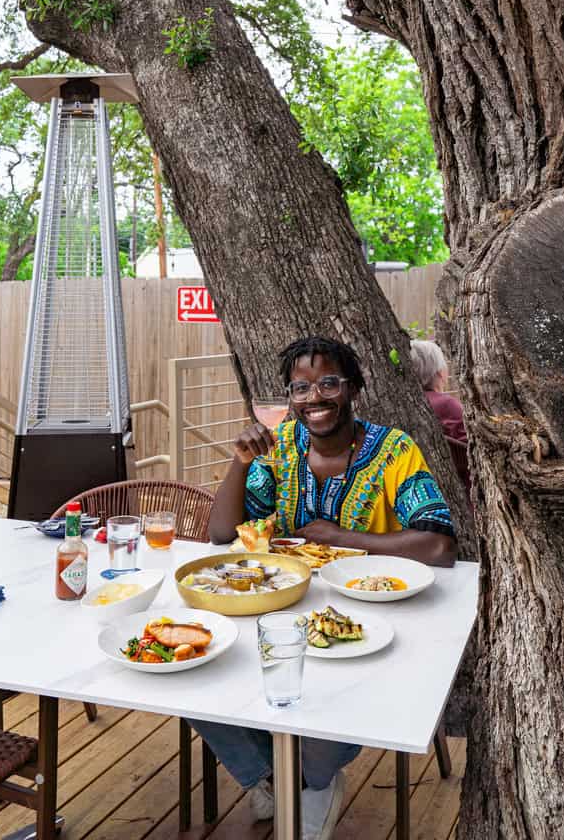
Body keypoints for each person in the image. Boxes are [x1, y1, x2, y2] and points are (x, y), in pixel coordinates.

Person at [196, 336, 457, 840]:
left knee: (332, 695)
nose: (314, 397)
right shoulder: (282, 446)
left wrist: (343, 538)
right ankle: (269, 777)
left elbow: (440, 545)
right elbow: (223, 535)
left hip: (373, 622)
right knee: (197, 677)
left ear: (353, 388)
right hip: (282, 607)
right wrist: (240, 461)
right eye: (300, 388)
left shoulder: (392, 450)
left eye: (328, 383)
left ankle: (315, 783)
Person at [409, 339, 470, 498]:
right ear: (439, 372)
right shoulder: (446, 404)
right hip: (463, 490)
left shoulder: (403, 405)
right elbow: (475, 450)